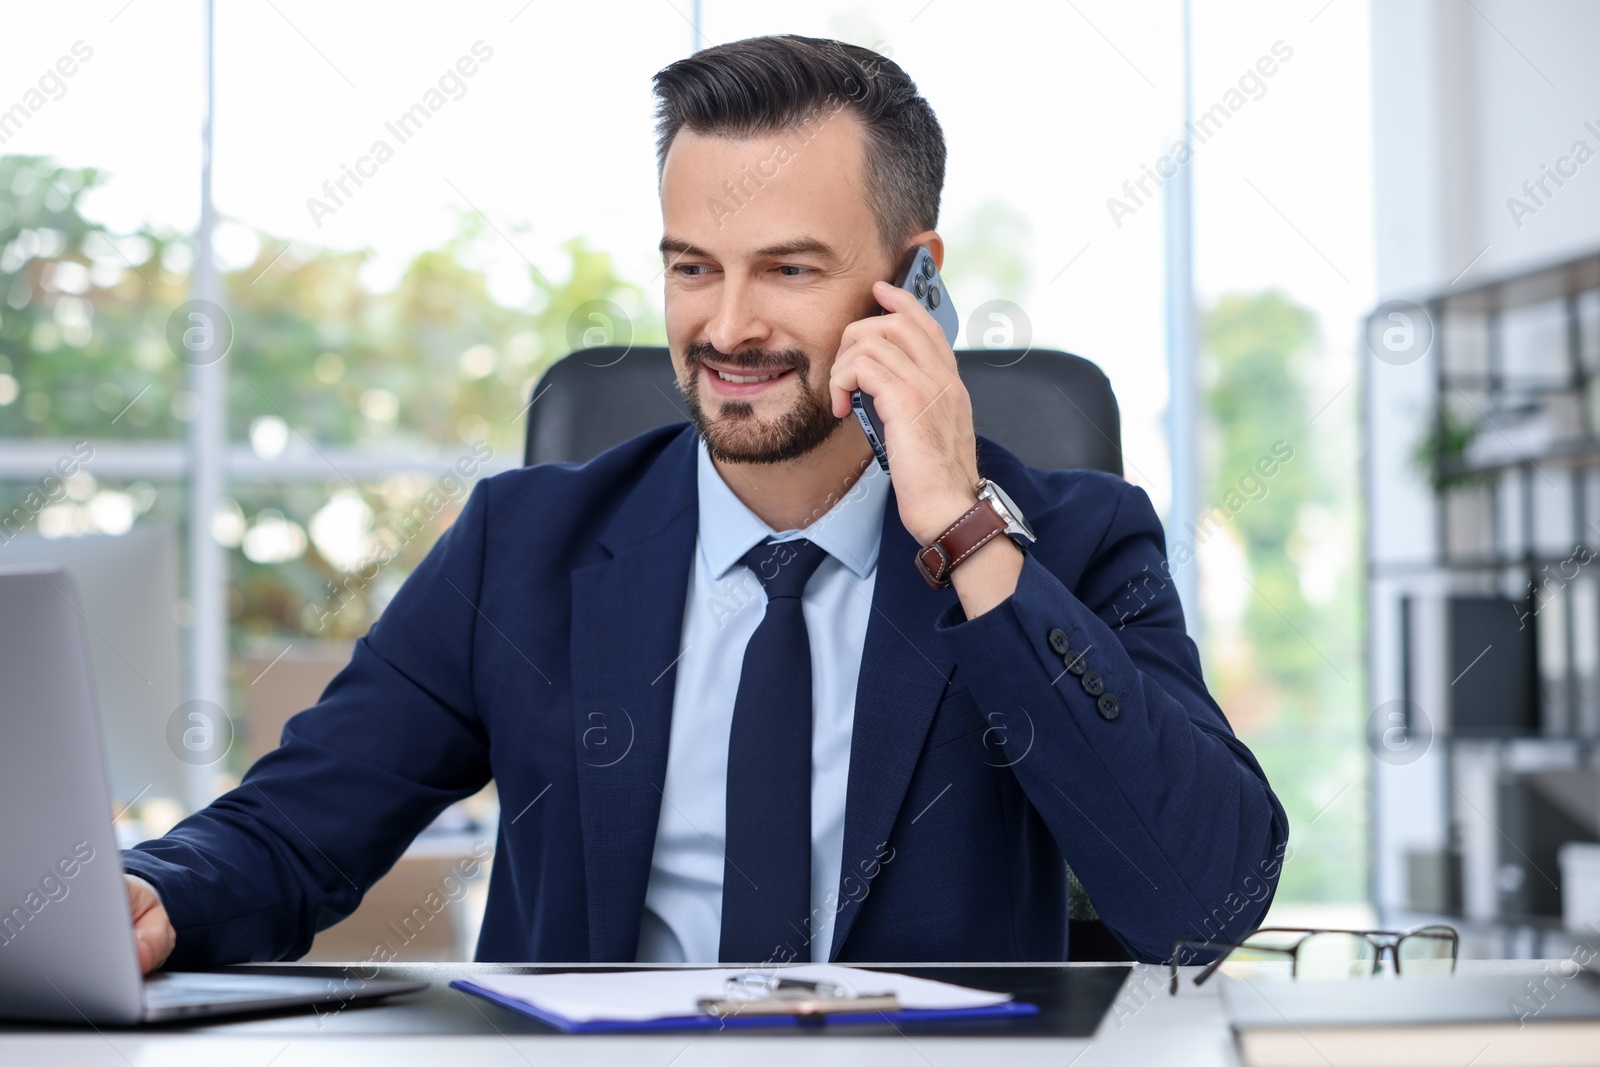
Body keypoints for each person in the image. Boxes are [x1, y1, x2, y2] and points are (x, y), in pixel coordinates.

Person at [123, 34, 1288, 973]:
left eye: (788, 268)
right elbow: (290, 832)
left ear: (915, 280)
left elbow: (1202, 902)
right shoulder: (519, 549)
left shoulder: (1071, 543)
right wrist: (151, 894)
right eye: (692, 266)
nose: (726, 327)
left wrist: (963, 527)